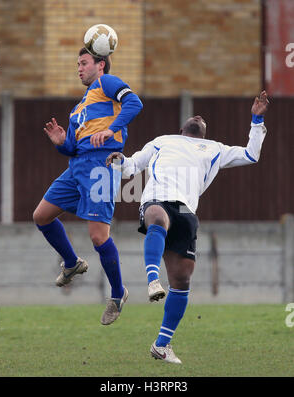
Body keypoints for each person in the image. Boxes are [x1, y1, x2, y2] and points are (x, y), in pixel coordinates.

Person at [106, 91, 269, 363]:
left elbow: (251, 155)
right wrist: (120, 161)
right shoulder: (162, 141)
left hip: (186, 210)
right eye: (194, 116)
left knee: (182, 280)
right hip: (157, 199)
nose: (199, 116)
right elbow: (132, 166)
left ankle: (162, 345)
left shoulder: (215, 148)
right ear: (182, 130)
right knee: (157, 217)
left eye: (202, 118)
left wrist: (256, 119)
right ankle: (152, 280)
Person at [33, 47, 143, 326]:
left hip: (101, 166)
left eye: (84, 63)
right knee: (41, 216)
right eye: (78, 64)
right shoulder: (78, 109)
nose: (79, 68)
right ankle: (72, 263)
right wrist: (61, 143)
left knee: (98, 236)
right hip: (77, 167)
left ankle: (118, 294)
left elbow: (135, 103)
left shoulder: (107, 83)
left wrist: (111, 129)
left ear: (101, 64)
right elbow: (73, 148)